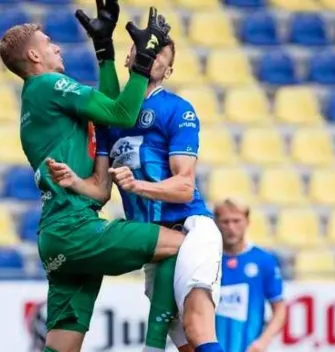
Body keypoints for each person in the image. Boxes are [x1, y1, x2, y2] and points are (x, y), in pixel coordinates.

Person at [0, 7, 184, 352]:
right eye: (49, 43)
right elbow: (124, 113)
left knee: (60, 347)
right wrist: (143, 60)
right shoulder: (48, 84)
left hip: (58, 237)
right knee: (185, 244)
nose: (58, 48)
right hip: (75, 229)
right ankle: (155, 346)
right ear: (34, 55)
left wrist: (104, 50)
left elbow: (110, 119)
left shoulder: (39, 100)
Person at [47, 2, 224, 352]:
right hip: (154, 244)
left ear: (168, 70)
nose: (149, 55)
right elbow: (99, 190)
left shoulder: (178, 110)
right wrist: (72, 181)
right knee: (186, 344)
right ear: (130, 59)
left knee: (196, 324)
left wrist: (137, 185)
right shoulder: (112, 120)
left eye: (158, 54)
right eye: (142, 50)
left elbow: (185, 186)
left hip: (190, 228)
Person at [214, 198, 287, 352]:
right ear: (216, 223)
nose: (231, 227)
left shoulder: (263, 260)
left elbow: (279, 308)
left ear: (247, 222)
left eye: (236, 221)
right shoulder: (207, 259)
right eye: (225, 222)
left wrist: (262, 342)